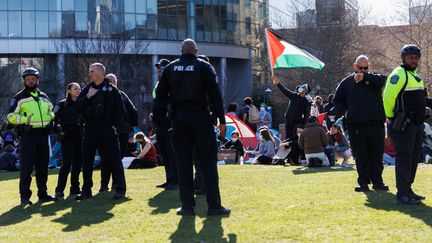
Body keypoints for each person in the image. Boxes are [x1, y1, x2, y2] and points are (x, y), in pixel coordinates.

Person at [154, 38, 230, 216]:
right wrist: (221, 120)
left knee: (183, 163)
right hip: (201, 118)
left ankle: (187, 206)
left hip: (179, 119)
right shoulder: (204, 66)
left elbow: (160, 96)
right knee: (208, 163)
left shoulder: (170, 68)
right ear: (195, 51)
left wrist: (161, 119)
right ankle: (214, 205)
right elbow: (215, 96)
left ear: (181, 51)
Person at [332, 55, 388, 192]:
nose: (363, 70)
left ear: (369, 66)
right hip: (355, 125)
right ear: (355, 66)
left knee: (376, 154)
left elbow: (384, 80)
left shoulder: (374, 79)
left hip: (376, 123)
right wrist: (345, 112)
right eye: (360, 68)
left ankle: (378, 182)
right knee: (361, 155)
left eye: (366, 68)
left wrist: (366, 77)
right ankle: (363, 183)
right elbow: (336, 100)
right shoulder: (346, 83)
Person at [75, 63, 127, 200]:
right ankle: (86, 190)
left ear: (100, 73)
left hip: (106, 128)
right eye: (89, 71)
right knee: (87, 160)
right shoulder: (87, 89)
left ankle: (120, 189)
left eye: (92, 71)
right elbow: (77, 107)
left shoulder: (111, 90)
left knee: (114, 158)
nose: (89, 73)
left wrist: (113, 125)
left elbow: (120, 110)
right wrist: (87, 97)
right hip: (91, 128)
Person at [7, 67, 57, 206]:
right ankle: (24, 197)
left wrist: (51, 117)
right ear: (24, 81)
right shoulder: (19, 98)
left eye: (33, 79)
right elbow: (10, 116)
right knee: (27, 168)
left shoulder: (44, 96)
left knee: (43, 167)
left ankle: (43, 194)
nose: (30, 81)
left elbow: (51, 111)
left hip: (43, 136)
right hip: (28, 136)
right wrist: (24, 120)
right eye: (27, 79)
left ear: (37, 80)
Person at [383, 44, 426, 205]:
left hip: (416, 125)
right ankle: (402, 194)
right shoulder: (399, 74)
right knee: (404, 158)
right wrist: (389, 117)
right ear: (403, 58)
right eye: (410, 57)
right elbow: (388, 97)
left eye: (416, 58)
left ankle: (408, 189)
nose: (414, 60)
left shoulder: (416, 77)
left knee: (414, 158)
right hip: (403, 125)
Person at [100, 73, 138, 192]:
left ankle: (116, 183)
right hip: (106, 131)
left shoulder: (122, 95)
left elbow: (133, 111)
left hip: (122, 130)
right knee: (106, 159)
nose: (111, 82)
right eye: (109, 80)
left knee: (117, 158)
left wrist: (132, 128)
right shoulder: (100, 94)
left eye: (113, 81)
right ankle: (104, 185)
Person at [53, 82, 83, 198]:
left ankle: (75, 189)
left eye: (79, 89)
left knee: (77, 164)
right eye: (75, 89)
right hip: (67, 137)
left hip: (79, 136)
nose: (78, 91)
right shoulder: (62, 104)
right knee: (66, 164)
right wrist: (59, 132)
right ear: (69, 90)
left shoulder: (81, 104)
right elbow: (53, 120)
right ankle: (59, 190)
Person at [151, 58, 178, 190]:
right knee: (165, 153)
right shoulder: (159, 84)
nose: (159, 70)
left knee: (171, 152)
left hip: (168, 123)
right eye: (158, 68)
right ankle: (169, 179)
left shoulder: (172, 82)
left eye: (161, 68)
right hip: (159, 123)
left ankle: (175, 180)